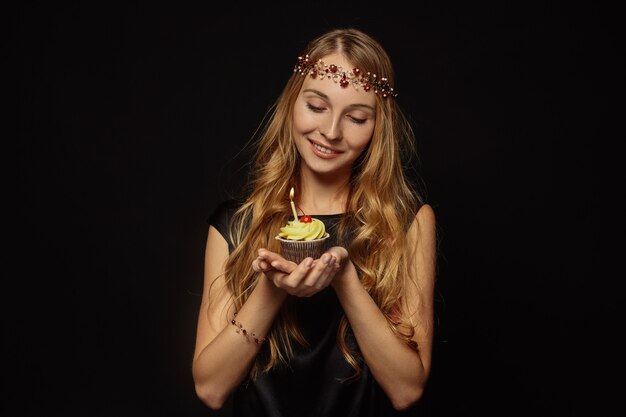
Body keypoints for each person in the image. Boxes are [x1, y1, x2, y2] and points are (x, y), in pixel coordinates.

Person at [192, 27, 436, 417]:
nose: (331, 131)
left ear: (377, 129)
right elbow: (210, 388)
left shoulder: (407, 224)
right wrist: (272, 289)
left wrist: (343, 277)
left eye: (356, 117)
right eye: (317, 107)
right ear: (292, 103)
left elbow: (406, 390)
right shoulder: (236, 224)